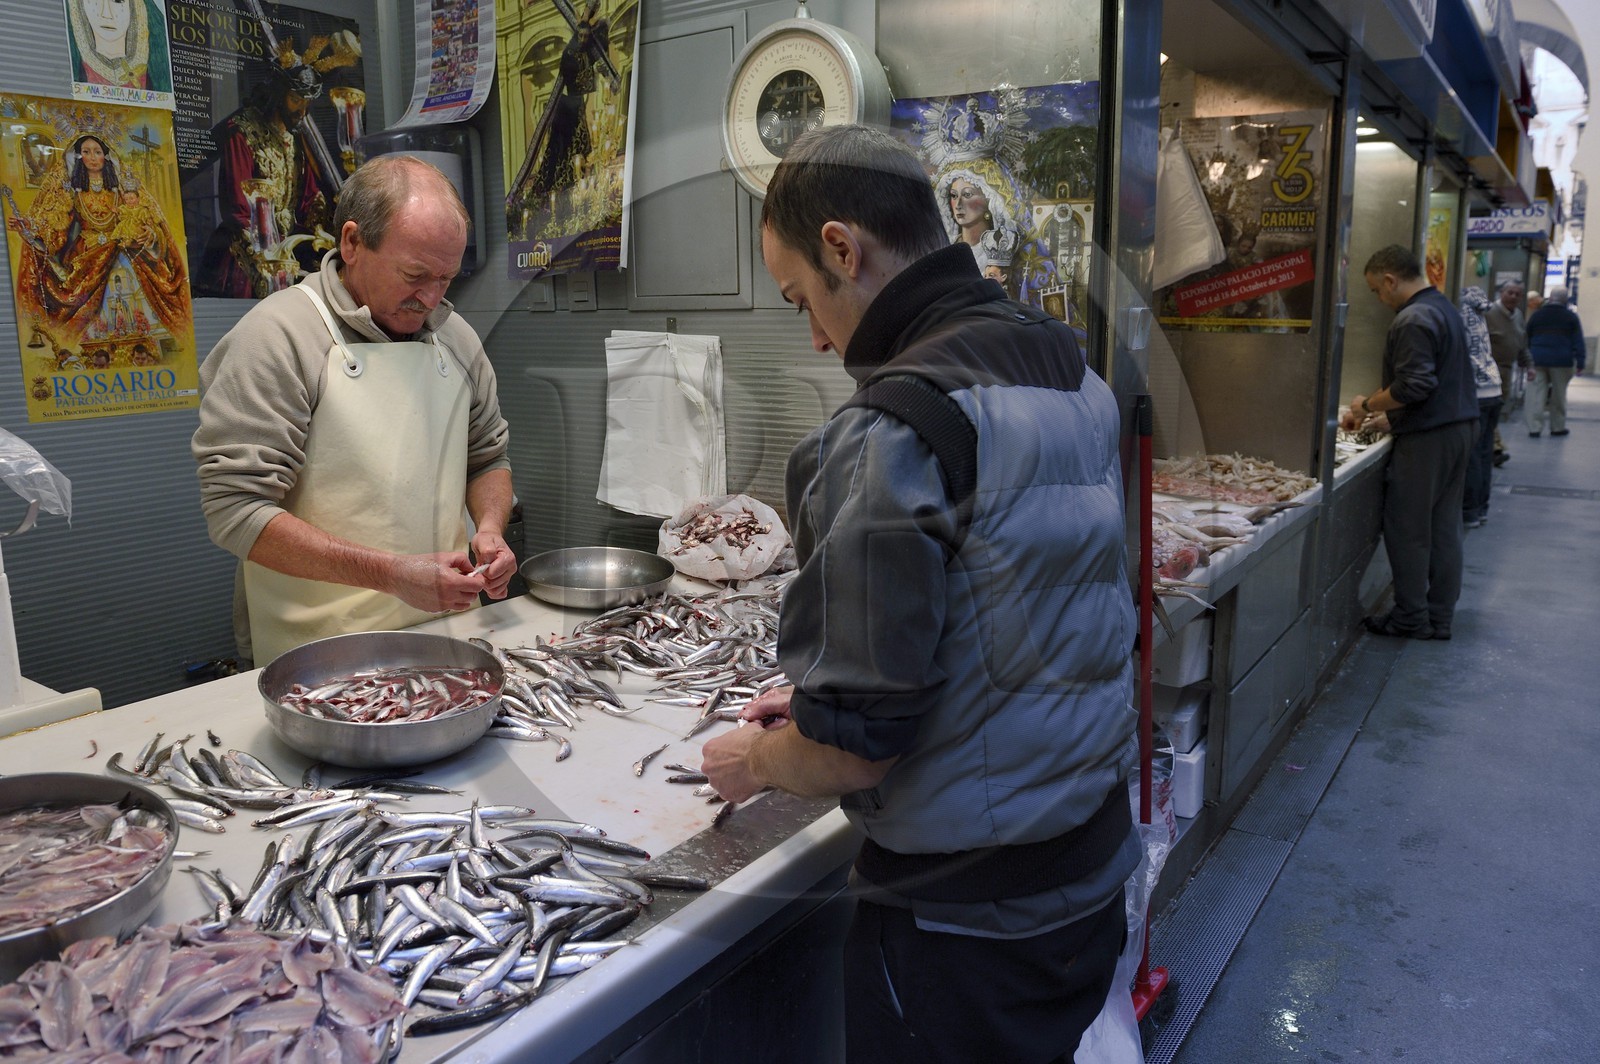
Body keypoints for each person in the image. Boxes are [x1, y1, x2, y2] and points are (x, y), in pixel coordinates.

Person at [701, 125, 1139, 1061]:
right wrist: (827, 698)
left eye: (801, 300)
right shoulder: (1072, 372)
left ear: (842, 249)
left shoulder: (893, 426)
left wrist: (759, 758)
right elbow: (1029, 619)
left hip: (962, 928)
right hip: (1091, 873)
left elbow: (855, 759)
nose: (815, 336)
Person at [192, 155, 516, 666]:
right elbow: (237, 513)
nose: (431, 298)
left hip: (451, 629)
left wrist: (490, 528)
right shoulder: (278, 338)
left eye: (446, 279)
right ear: (352, 243)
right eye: (414, 275)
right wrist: (390, 574)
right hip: (318, 649)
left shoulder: (456, 339)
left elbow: (486, 457)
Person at [1341, 245, 1477, 640]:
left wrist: (1366, 405)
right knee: (1444, 526)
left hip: (1429, 440)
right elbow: (1435, 382)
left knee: (1409, 529)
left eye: (1375, 291)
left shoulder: (1413, 318)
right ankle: (1439, 618)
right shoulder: (1442, 307)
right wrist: (1392, 415)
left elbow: (1415, 385)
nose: (1379, 300)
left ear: (1390, 280)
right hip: (1457, 429)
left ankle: (1410, 618)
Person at [195, 35, 358, 298]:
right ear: (280, 94)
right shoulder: (244, 132)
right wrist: (266, 252)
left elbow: (306, 198)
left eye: (307, 102)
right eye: (295, 100)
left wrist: (320, 212)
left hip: (286, 249)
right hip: (246, 252)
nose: (302, 111)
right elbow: (239, 209)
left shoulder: (296, 139)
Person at [6, 133, 189, 344]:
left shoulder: (122, 189)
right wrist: (30, 229)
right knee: (80, 298)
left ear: (106, 156)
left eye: (97, 152)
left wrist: (150, 234)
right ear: (78, 157)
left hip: (122, 246)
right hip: (87, 253)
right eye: (86, 152)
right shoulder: (73, 191)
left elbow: (145, 218)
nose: (92, 157)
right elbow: (53, 226)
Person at [1457, 287, 1502, 529]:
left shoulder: (1461, 309)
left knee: (1472, 455)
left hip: (1476, 391)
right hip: (1493, 388)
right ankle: (1481, 508)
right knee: (1484, 454)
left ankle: (1469, 511)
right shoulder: (1479, 309)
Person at [65, 0, 173, 94]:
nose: (106, 14)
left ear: (135, 7)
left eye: (118, 1)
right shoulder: (72, 64)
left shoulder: (157, 68)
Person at [1523, 285, 1586, 437]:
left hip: (1537, 359)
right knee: (1558, 395)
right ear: (1565, 300)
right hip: (1562, 360)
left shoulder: (1537, 315)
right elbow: (1578, 341)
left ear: (1550, 298)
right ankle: (1557, 427)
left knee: (1536, 394)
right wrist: (1580, 362)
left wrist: (1526, 357)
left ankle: (1534, 428)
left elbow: (1526, 336)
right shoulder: (1571, 317)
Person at [1483, 280, 1528, 466]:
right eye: (1510, 292)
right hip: (1489, 371)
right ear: (1501, 292)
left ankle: (1492, 446)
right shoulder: (1489, 313)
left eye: (1518, 294)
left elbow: (1521, 343)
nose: (1514, 297)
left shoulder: (1517, 315)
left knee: (1497, 411)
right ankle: (1495, 448)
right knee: (1490, 410)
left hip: (1507, 372)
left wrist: (1528, 364)